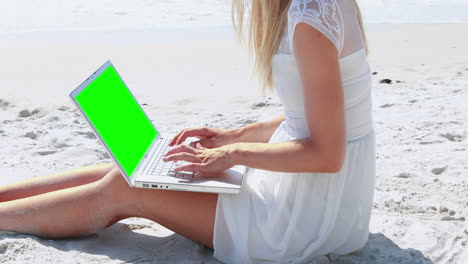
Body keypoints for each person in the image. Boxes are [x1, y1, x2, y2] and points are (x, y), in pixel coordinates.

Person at [0, 0, 375, 263]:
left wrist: (231, 155)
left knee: (125, 187)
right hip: (317, 199)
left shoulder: (309, 18)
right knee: (130, 167)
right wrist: (232, 136)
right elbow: (307, 117)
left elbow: (327, 154)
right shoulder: (311, 8)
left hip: (303, 223)